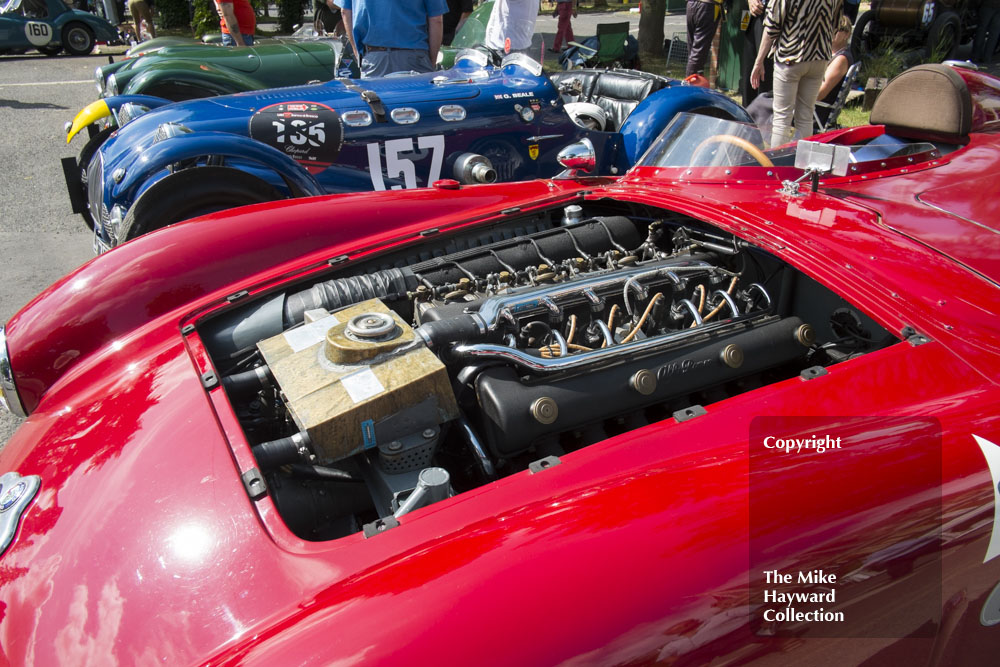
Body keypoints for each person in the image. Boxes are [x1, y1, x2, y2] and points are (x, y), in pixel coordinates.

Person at [751, 0, 842, 147]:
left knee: (781, 118)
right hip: (819, 57)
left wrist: (759, 61)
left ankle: (778, 165)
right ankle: (801, 163)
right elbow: (836, 24)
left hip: (791, 55)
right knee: (806, 116)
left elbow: (772, 26)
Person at [337, 0, 448, 77]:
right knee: (418, 108)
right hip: (415, 57)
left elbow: (345, 12)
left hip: (374, 58)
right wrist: (431, 62)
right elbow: (436, 19)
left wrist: (357, 52)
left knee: (377, 107)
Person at [741, 0, 771, 106]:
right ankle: (746, 117)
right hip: (754, 18)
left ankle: (763, 117)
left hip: (774, 19)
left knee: (765, 76)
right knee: (748, 74)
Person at [686, 0, 724, 76]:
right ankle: (689, 84)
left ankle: (697, 78)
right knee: (698, 53)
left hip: (691, 4)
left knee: (693, 50)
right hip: (708, 6)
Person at [973, 0, 1000, 64]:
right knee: (994, 33)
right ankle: (987, 58)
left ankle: (975, 56)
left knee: (981, 30)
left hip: (987, 4)